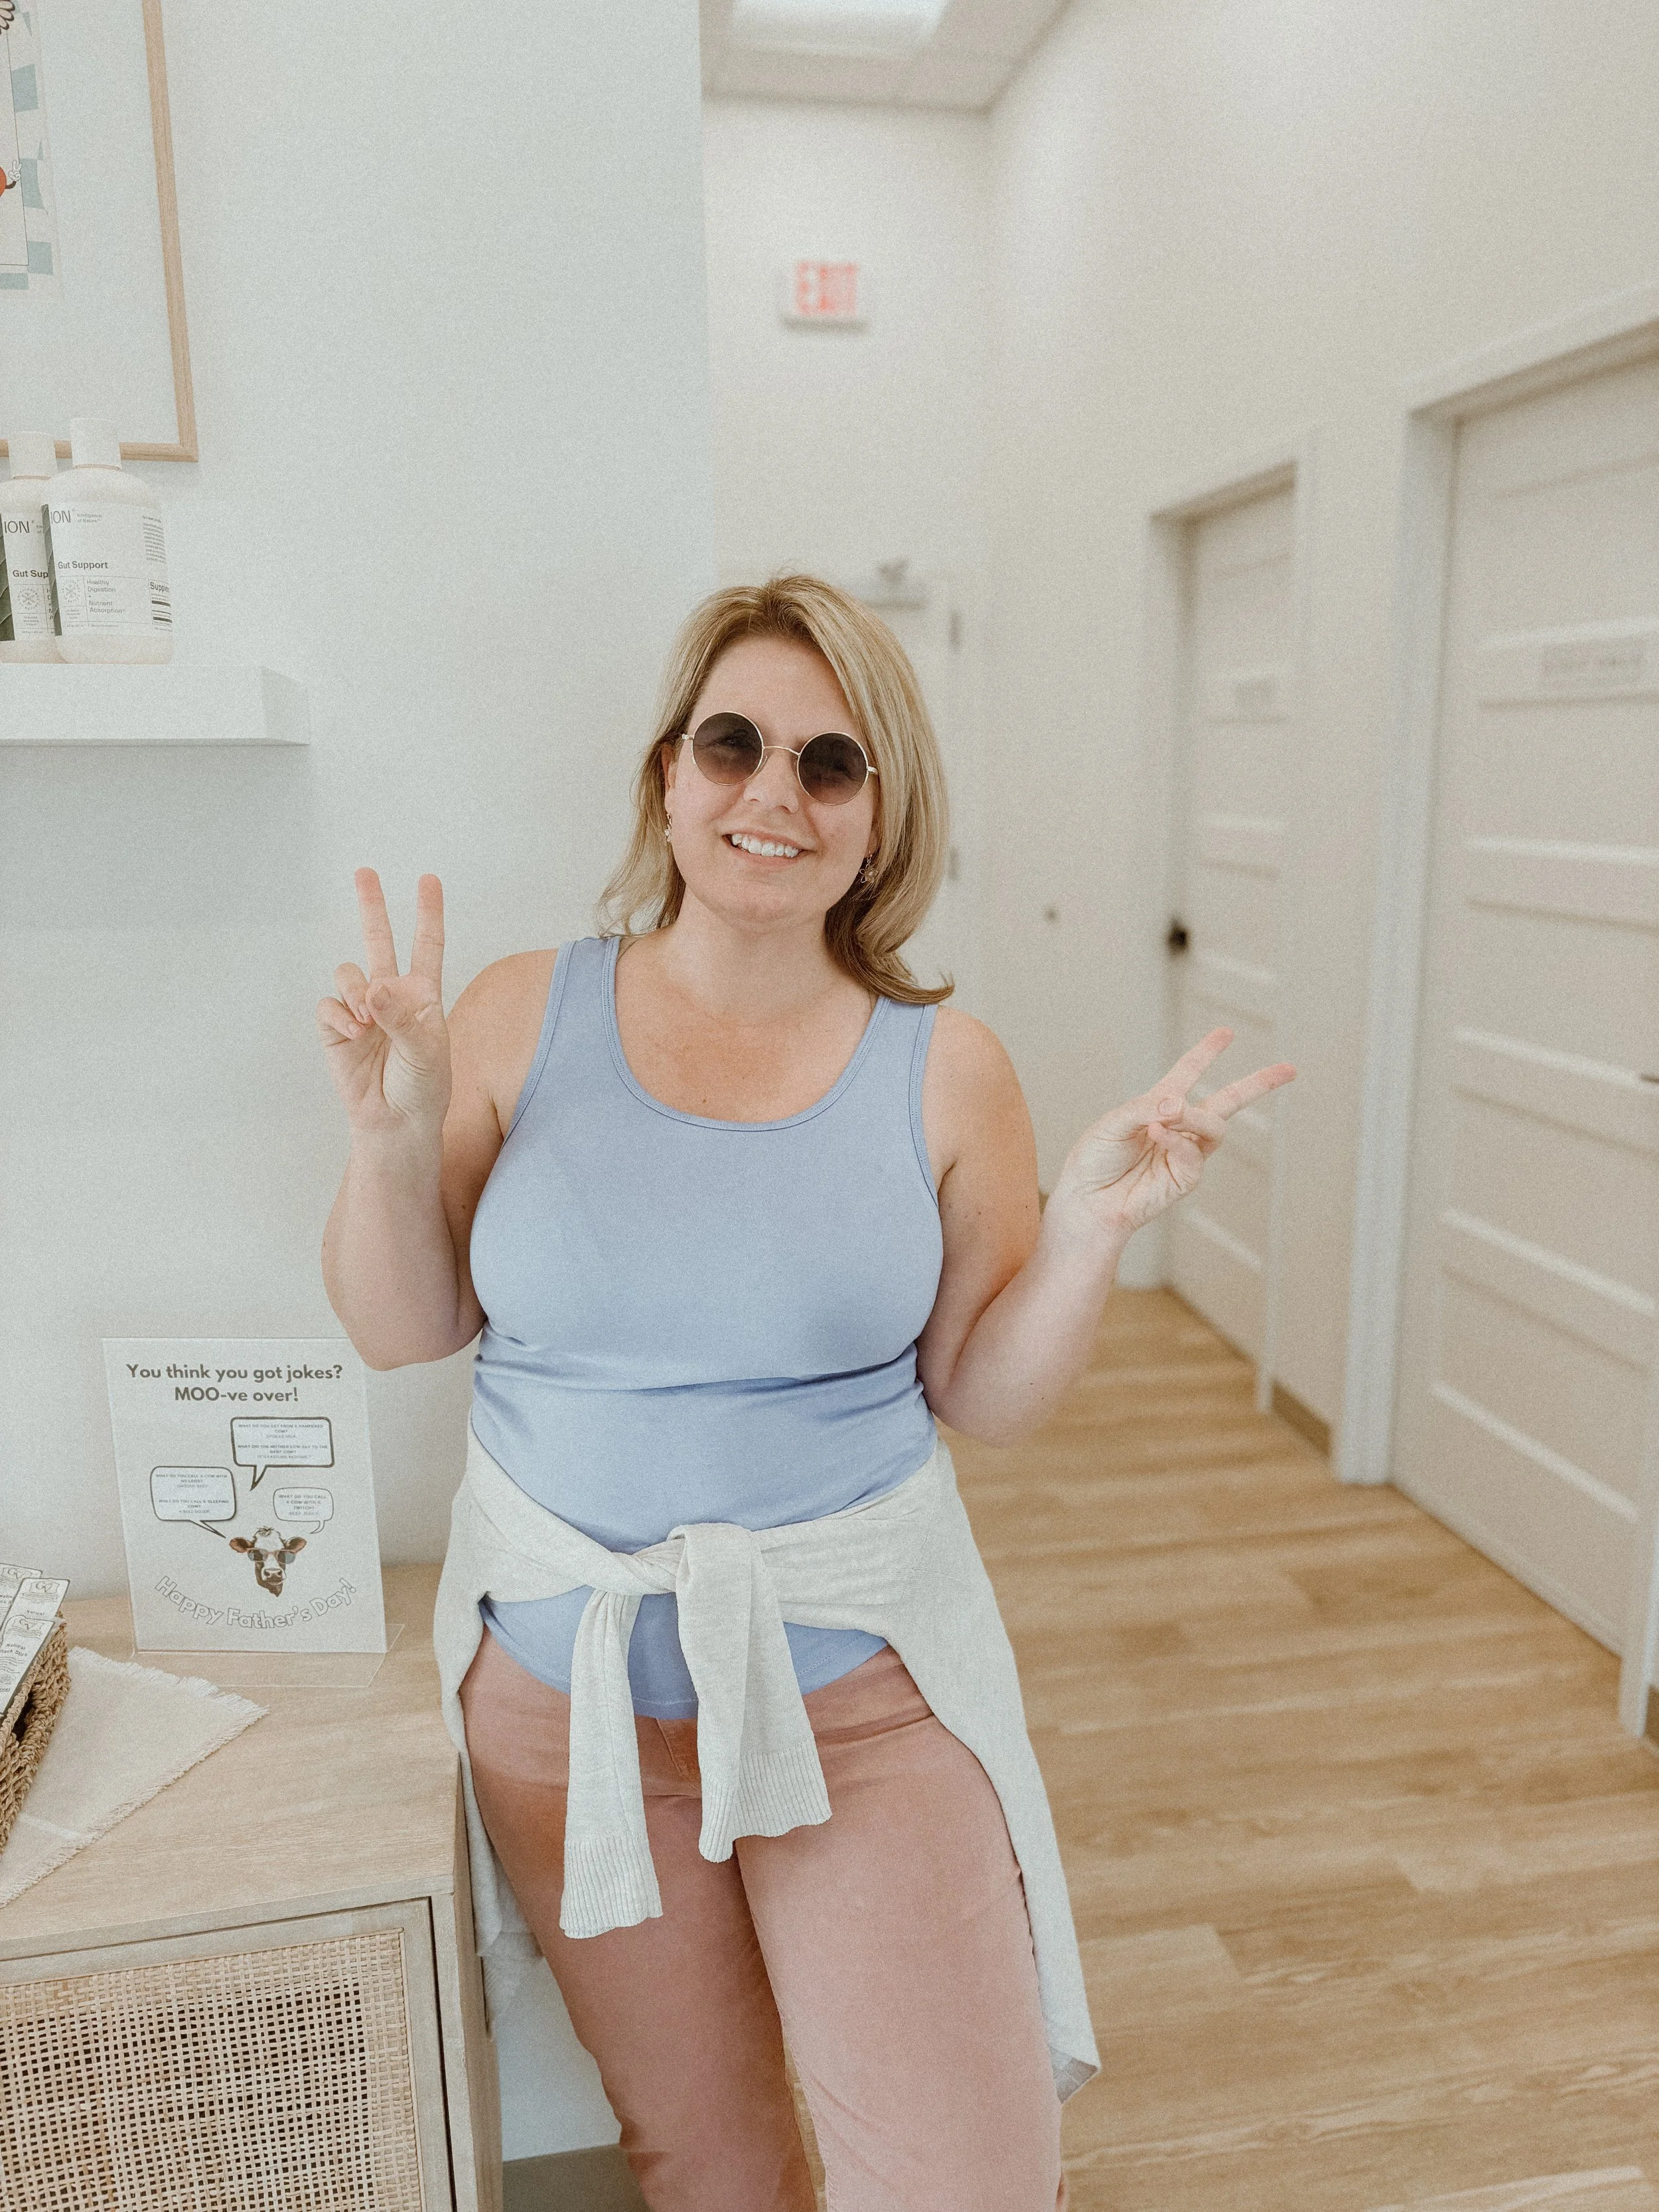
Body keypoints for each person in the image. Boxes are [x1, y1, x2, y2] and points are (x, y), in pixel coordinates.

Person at [317, 575, 1295, 2212]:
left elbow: (979, 1397)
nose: (773, 791)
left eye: (828, 763)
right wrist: (385, 1131)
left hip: (859, 1701)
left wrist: (1088, 1237)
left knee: (959, 2184)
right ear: (668, 778)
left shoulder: (947, 1065)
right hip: (568, 1705)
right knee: (706, 2164)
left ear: (877, 814)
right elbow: (404, 1325)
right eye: (733, 743)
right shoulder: (509, 1010)